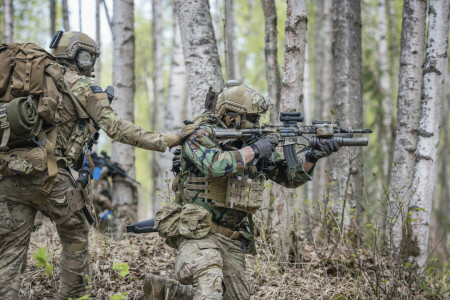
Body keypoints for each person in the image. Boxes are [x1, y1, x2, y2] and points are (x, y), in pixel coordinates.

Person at [0, 31, 197, 300]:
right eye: (89, 56)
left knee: (10, 252)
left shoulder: (24, 79)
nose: (91, 63)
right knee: (76, 237)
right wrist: (167, 139)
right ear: (78, 55)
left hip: (10, 174)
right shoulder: (80, 84)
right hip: (51, 176)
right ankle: (73, 296)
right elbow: (117, 128)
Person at [144, 81, 340, 300]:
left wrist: (312, 157)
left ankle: (164, 291)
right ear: (232, 117)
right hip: (198, 233)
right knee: (210, 288)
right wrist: (254, 150)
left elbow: (289, 178)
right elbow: (215, 165)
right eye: (253, 118)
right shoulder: (199, 136)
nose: (257, 123)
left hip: (231, 238)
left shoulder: (251, 141)